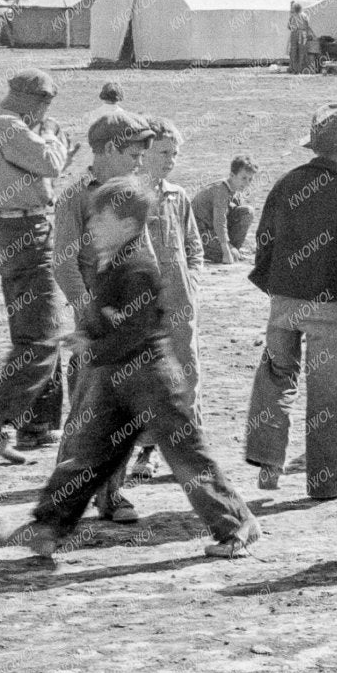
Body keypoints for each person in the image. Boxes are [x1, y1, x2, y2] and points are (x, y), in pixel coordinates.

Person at [9, 179, 261, 564]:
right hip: (116, 378)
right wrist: (84, 335)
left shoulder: (138, 268)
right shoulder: (110, 265)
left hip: (154, 378)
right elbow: (108, 321)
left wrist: (91, 346)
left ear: (127, 225)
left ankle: (238, 524)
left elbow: (136, 331)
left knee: (187, 457)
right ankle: (49, 525)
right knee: (90, 453)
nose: (91, 225)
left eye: (100, 218)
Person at [244, 104, 337, 501]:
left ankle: (268, 459)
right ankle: (325, 484)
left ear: (314, 147)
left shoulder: (286, 183)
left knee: (276, 376)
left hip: (284, 301)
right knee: (328, 393)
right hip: (329, 308)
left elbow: (264, 240)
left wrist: (275, 286)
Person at [51, 106, 162, 522]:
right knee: (85, 413)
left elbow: (145, 253)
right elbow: (64, 264)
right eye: (134, 153)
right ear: (110, 149)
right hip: (96, 325)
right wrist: (91, 316)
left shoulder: (132, 193)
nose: (139, 162)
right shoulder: (75, 197)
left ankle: (112, 496)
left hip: (130, 322)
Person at [0, 68, 73, 460]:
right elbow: (50, 161)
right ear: (35, 100)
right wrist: (53, 141)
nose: (47, 112)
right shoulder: (9, 127)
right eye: (46, 104)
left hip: (10, 231)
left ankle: (38, 425)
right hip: (28, 231)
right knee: (42, 339)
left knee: (34, 331)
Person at [123, 117, 206, 478]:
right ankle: (145, 451)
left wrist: (192, 281)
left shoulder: (178, 196)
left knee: (186, 371)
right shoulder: (128, 197)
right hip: (140, 307)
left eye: (175, 153)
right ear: (144, 153)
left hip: (180, 303)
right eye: (163, 152)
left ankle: (188, 449)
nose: (170, 159)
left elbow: (193, 246)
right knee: (145, 378)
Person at [191, 156, 259, 264]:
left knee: (247, 212)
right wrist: (227, 251)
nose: (247, 183)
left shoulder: (234, 189)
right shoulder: (221, 191)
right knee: (231, 254)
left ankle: (233, 251)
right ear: (232, 175)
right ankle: (225, 253)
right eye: (244, 178)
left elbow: (232, 217)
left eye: (250, 179)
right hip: (201, 234)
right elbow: (219, 223)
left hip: (212, 230)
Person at [286, 0, 314, 74]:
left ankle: (294, 69)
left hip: (294, 33)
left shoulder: (292, 16)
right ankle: (300, 69)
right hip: (303, 33)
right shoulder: (305, 15)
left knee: (293, 52)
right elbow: (307, 25)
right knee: (302, 52)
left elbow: (288, 26)